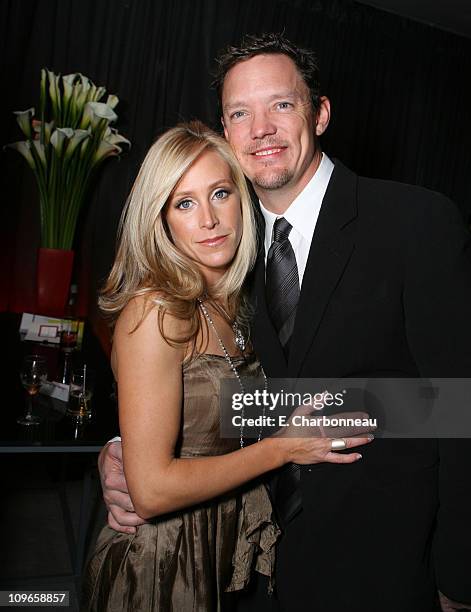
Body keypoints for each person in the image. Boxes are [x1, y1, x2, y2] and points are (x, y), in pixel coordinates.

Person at [98, 34, 471, 612]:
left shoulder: (415, 222)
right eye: (240, 113)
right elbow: (217, 383)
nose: (261, 129)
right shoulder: (224, 250)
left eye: (281, 105)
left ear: (319, 114)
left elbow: (457, 401)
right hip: (250, 557)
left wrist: (459, 575)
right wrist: (127, 449)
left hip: (385, 559)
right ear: (225, 131)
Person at [82, 120, 373, 612]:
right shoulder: (155, 310)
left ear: (243, 199)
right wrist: (281, 450)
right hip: (162, 561)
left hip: (225, 548)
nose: (209, 221)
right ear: (162, 218)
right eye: (185, 203)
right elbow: (149, 492)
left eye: (220, 193)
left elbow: (226, 410)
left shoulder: (238, 303)